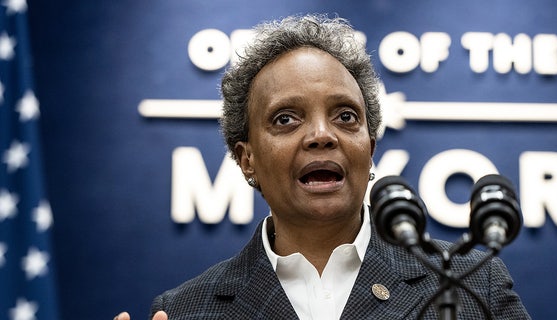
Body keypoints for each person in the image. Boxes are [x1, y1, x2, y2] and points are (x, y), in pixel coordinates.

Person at [115, 14, 530, 320]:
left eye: (345, 116)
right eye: (286, 119)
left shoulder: (471, 282)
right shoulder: (187, 311)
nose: (321, 135)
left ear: (370, 148)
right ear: (247, 160)